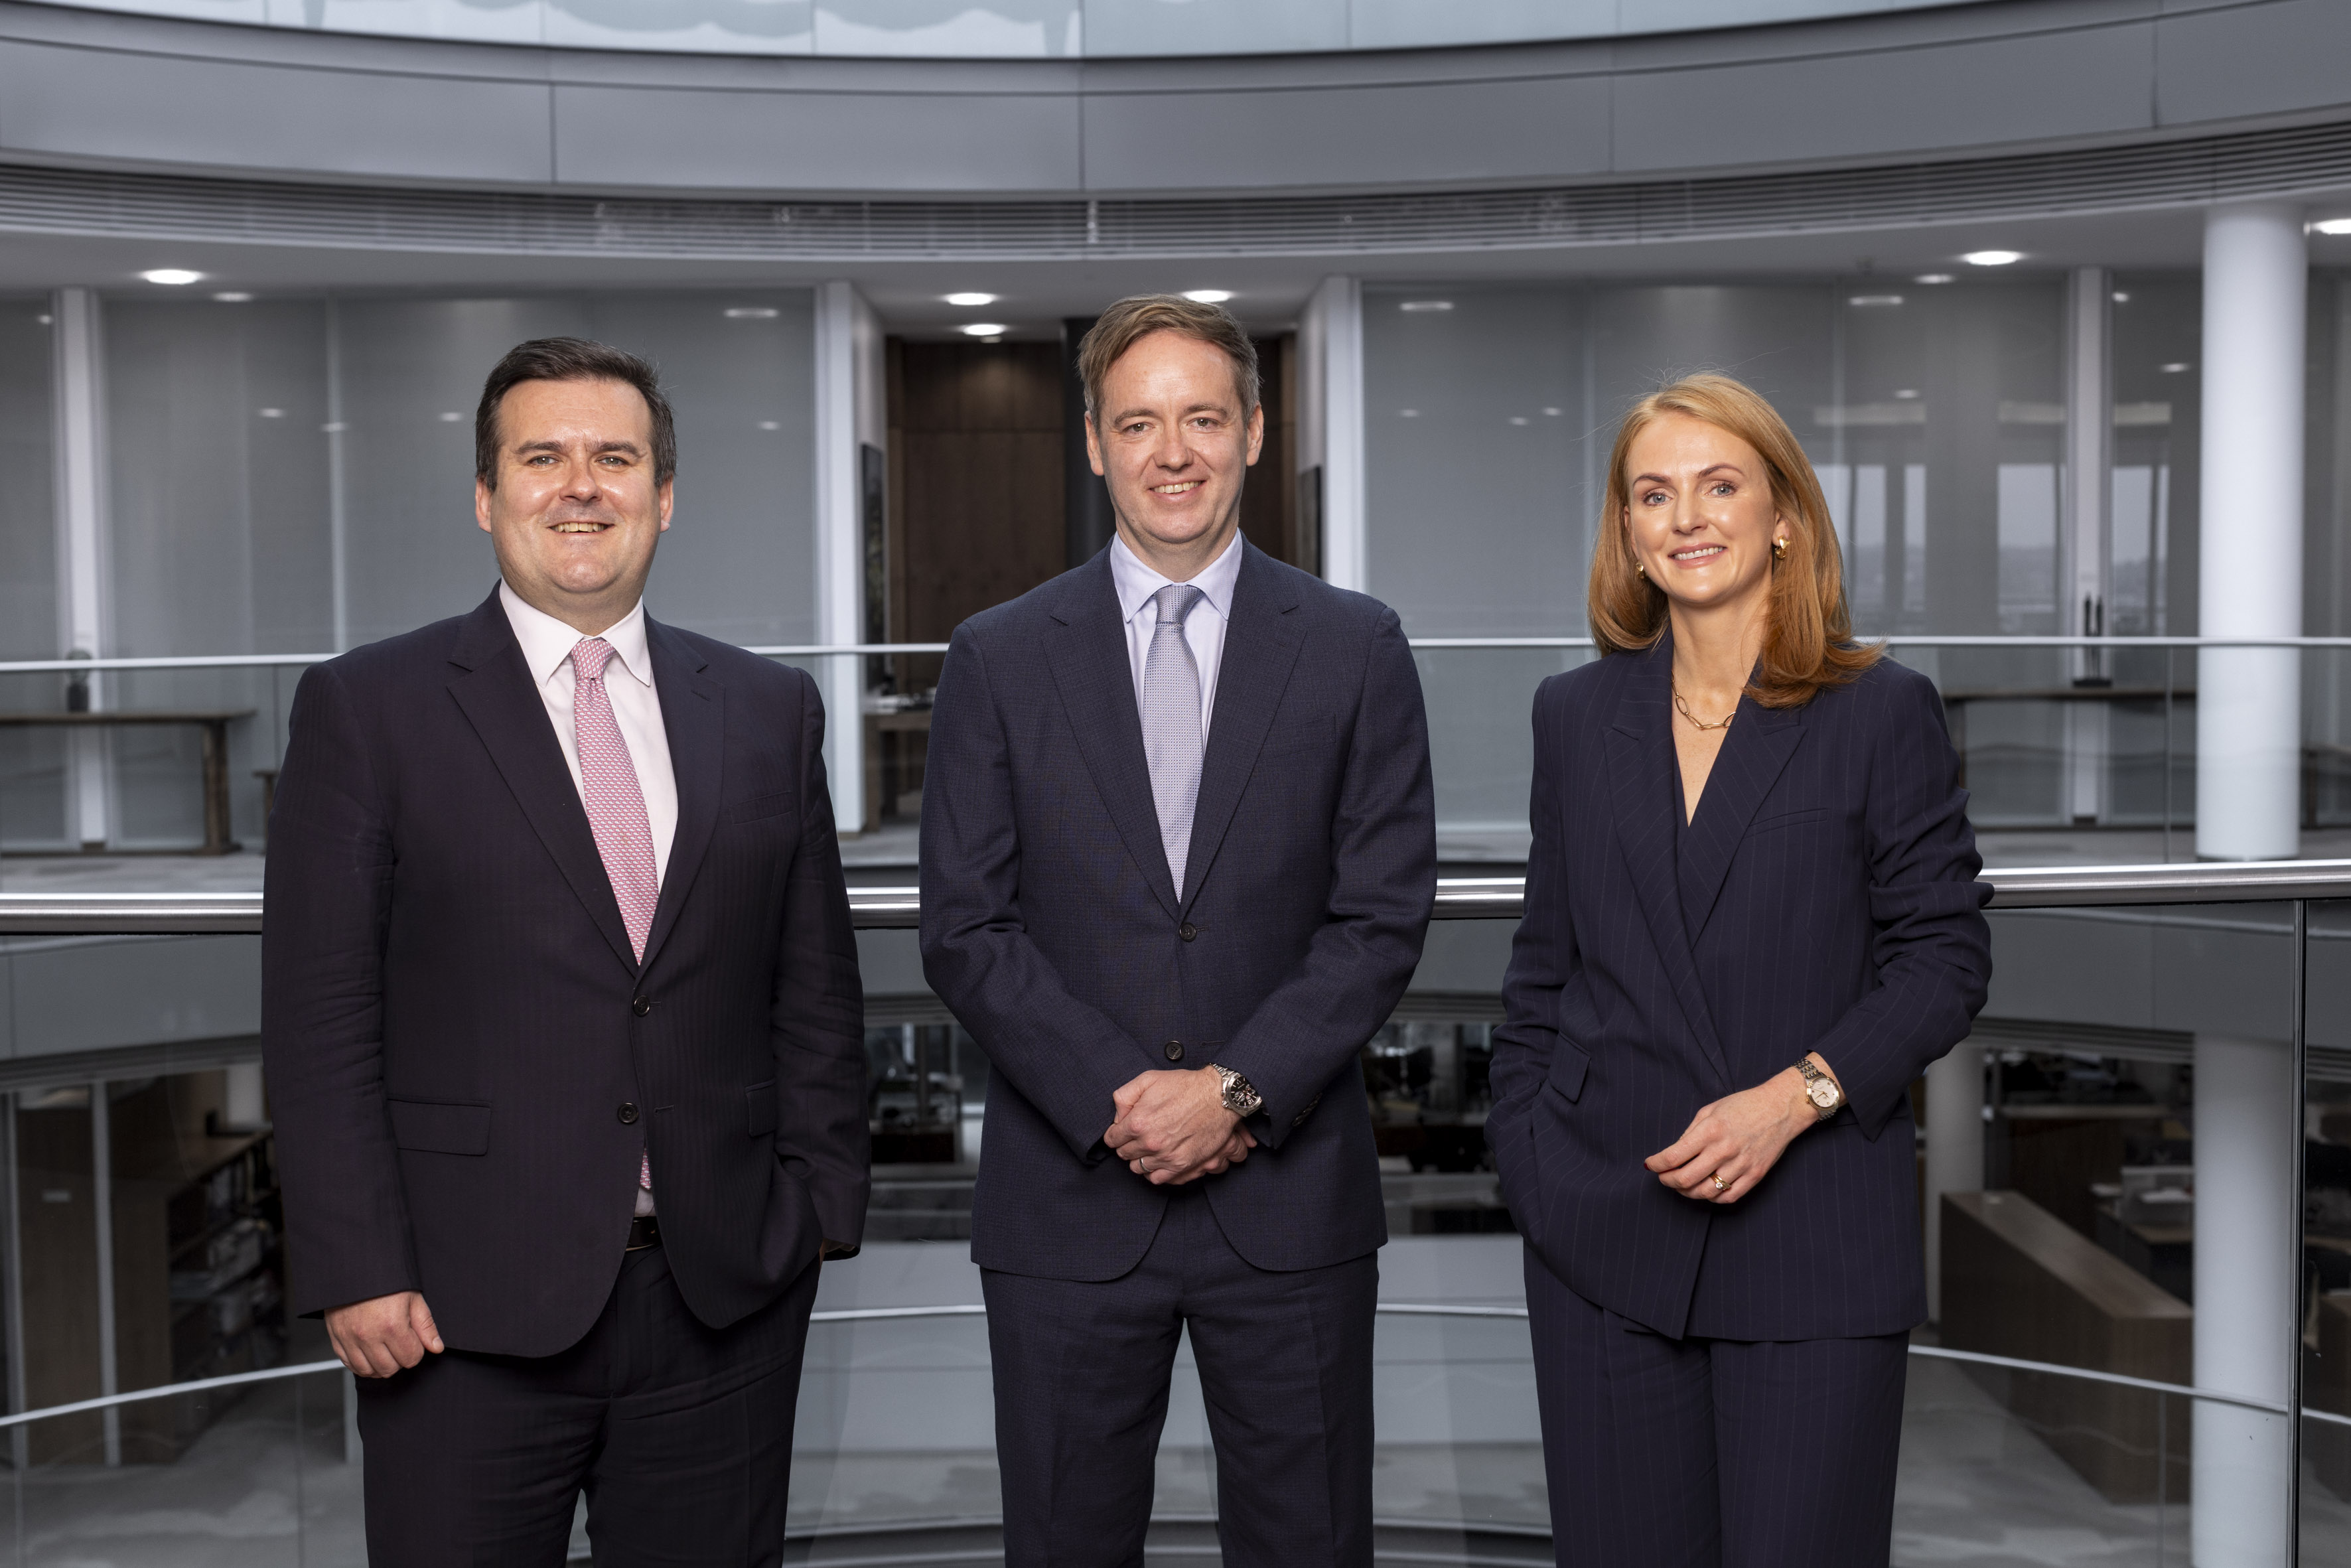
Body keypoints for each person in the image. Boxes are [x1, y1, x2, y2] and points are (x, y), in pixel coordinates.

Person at [261, 336, 869, 1567]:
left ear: (665, 494)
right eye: (542, 458)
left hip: (722, 1304)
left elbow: (815, 991)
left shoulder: (765, 709)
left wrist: (814, 1215)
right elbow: (321, 1017)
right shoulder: (368, 709)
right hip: (451, 1314)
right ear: (487, 496)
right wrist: (354, 1265)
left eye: (615, 457)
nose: (580, 486)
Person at [919, 294, 1435, 1568]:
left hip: (1293, 1206)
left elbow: (1380, 917)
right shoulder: (996, 656)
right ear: (1093, 444)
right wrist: (1123, 1100)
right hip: (1068, 1201)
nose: (1173, 451)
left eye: (1203, 417)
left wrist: (1236, 1091)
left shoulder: (1356, 648)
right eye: (1137, 421)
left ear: (1254, 432)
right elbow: (965, 926)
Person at [1488, 373, 1991, 1566]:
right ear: (1627, 532)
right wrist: (1533, 1164)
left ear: (1783, 517)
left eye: (1721, 485)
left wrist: (1794, 1097)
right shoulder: (1573, 714)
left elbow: (1944, 958)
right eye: (1653, 495)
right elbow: (1542, 973)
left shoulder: (1882, 712)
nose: (1688, 517)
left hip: (1810, 1241)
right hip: (1603, 1236)